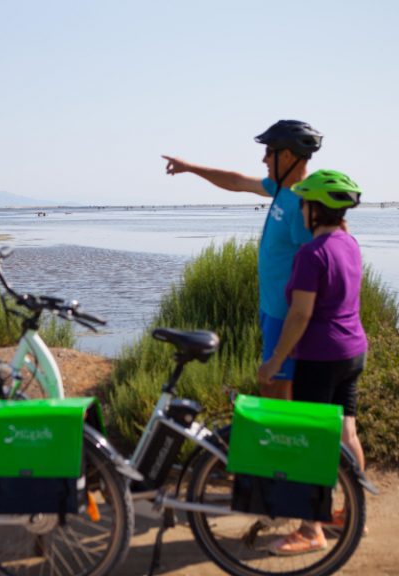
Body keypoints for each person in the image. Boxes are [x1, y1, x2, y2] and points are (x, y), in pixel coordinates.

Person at [163, 120, 323, 400]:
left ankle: (282, 443)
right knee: (273, 391)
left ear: (286, 155)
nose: (264, 159)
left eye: (269, 151)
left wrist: (298, 321)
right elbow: (236, 181)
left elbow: (317, 268)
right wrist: (189, 167)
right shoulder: (279, 189)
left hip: (285, 316)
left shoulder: (302, 204)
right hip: (271, 309)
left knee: (276, 392)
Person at [258, 169, 367, 555]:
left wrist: (274, 362)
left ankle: (310, 530)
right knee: (346, 433)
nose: (301, 209)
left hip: (320, 357)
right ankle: (351, 513)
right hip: (353, 352)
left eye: (304, 203)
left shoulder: (311, 254)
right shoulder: (349, 243)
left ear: (316, 210)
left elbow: (300, 316)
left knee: (311, 443)